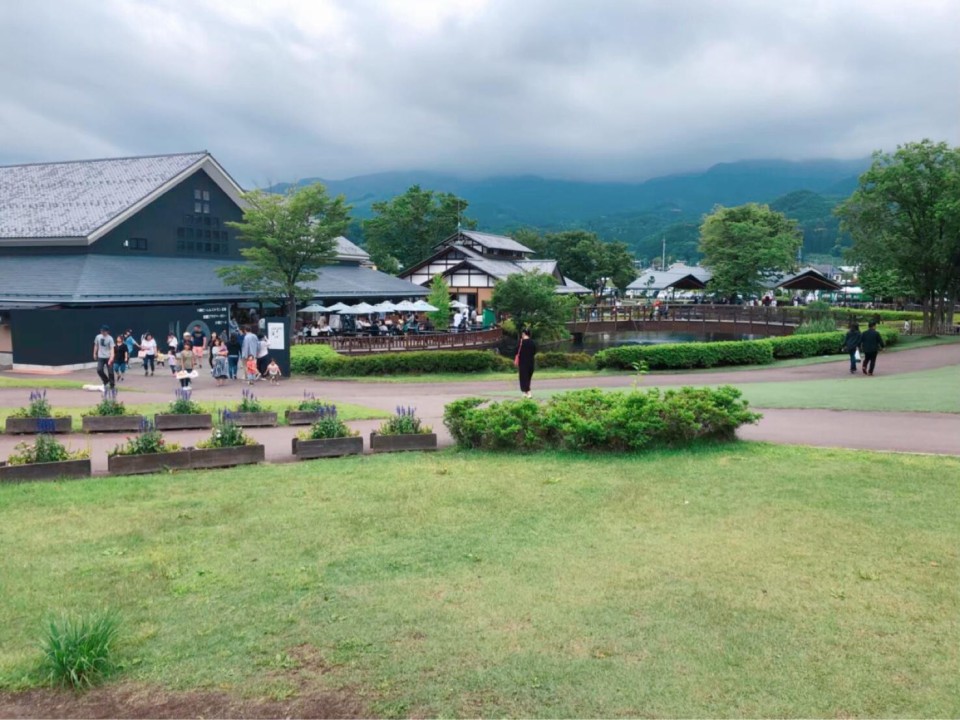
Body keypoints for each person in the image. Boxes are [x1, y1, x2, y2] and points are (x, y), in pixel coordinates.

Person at [516, 327, 537, 398]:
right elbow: (534, 352)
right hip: (531, 362)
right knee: (528, 377)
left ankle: (528, 392)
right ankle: (525, 392)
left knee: (523, 377)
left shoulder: (521, 342)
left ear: (523, 334)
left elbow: (516, 351)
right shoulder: (532, 342)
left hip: (522, 363)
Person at [93, 325, 116, 390]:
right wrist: (94, 353)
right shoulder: (98, 337)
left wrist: (112, 357)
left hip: (108, 357)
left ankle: (112, 385)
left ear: (107, 332)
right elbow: (96, 345)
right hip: (101, 356)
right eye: (101, 331)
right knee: (99, 370)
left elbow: (112, 348)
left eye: (104, 331)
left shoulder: (110, 338)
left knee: (110, 371)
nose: (102, 332)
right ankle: (106, 380)